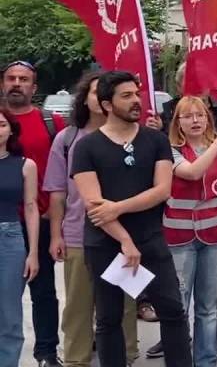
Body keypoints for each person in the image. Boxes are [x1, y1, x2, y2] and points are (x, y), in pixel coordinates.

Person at [70, 70, 192, 367]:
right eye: (126, 96)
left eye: (136, 94)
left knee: (173, 310)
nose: (136, 100)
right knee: (109, 318)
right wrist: (124, 240)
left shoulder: (156, 140)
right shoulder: (86, 147)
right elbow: (95, 206)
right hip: (106, 243)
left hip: (151, 239)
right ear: (107, 104)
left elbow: (162, 190)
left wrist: (119, 207)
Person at [47, 73, 140, 367]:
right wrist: (56, 235)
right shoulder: (68, 139)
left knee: (124, 305)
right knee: (78, 306)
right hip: (78, 235)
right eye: (96, 91)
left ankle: (125, 357)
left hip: (125, 236)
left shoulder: (135, 136)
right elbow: (57, 193)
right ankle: (77, 360)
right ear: (86, 98)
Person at [165, 95, 217, 367]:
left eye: (200, 114)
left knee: (208, 308)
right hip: (179, 237)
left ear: (208, 118)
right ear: (178, 122)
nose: (195, 120)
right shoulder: (171, 149)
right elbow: (191, 172)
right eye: (188, 116)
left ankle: (206, 362)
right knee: (179, 306)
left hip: (215, 235)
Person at [3, 60, 64, 367]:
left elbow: (65, 174)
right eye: (11, 78)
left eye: (23, 79)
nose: (17, 83)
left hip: (38, 220)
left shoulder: (51, 123)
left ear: (34, 87)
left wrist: (58, 227)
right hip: (3, 222)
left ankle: (47, 352)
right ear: (3, 84)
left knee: (43, 292)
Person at [0, 109, 42, 367]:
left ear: (11, 130)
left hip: (10, 240)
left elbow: (31, 207)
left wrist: (33, 252)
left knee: (9, 314)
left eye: (2, 124)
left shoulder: (25, 165)